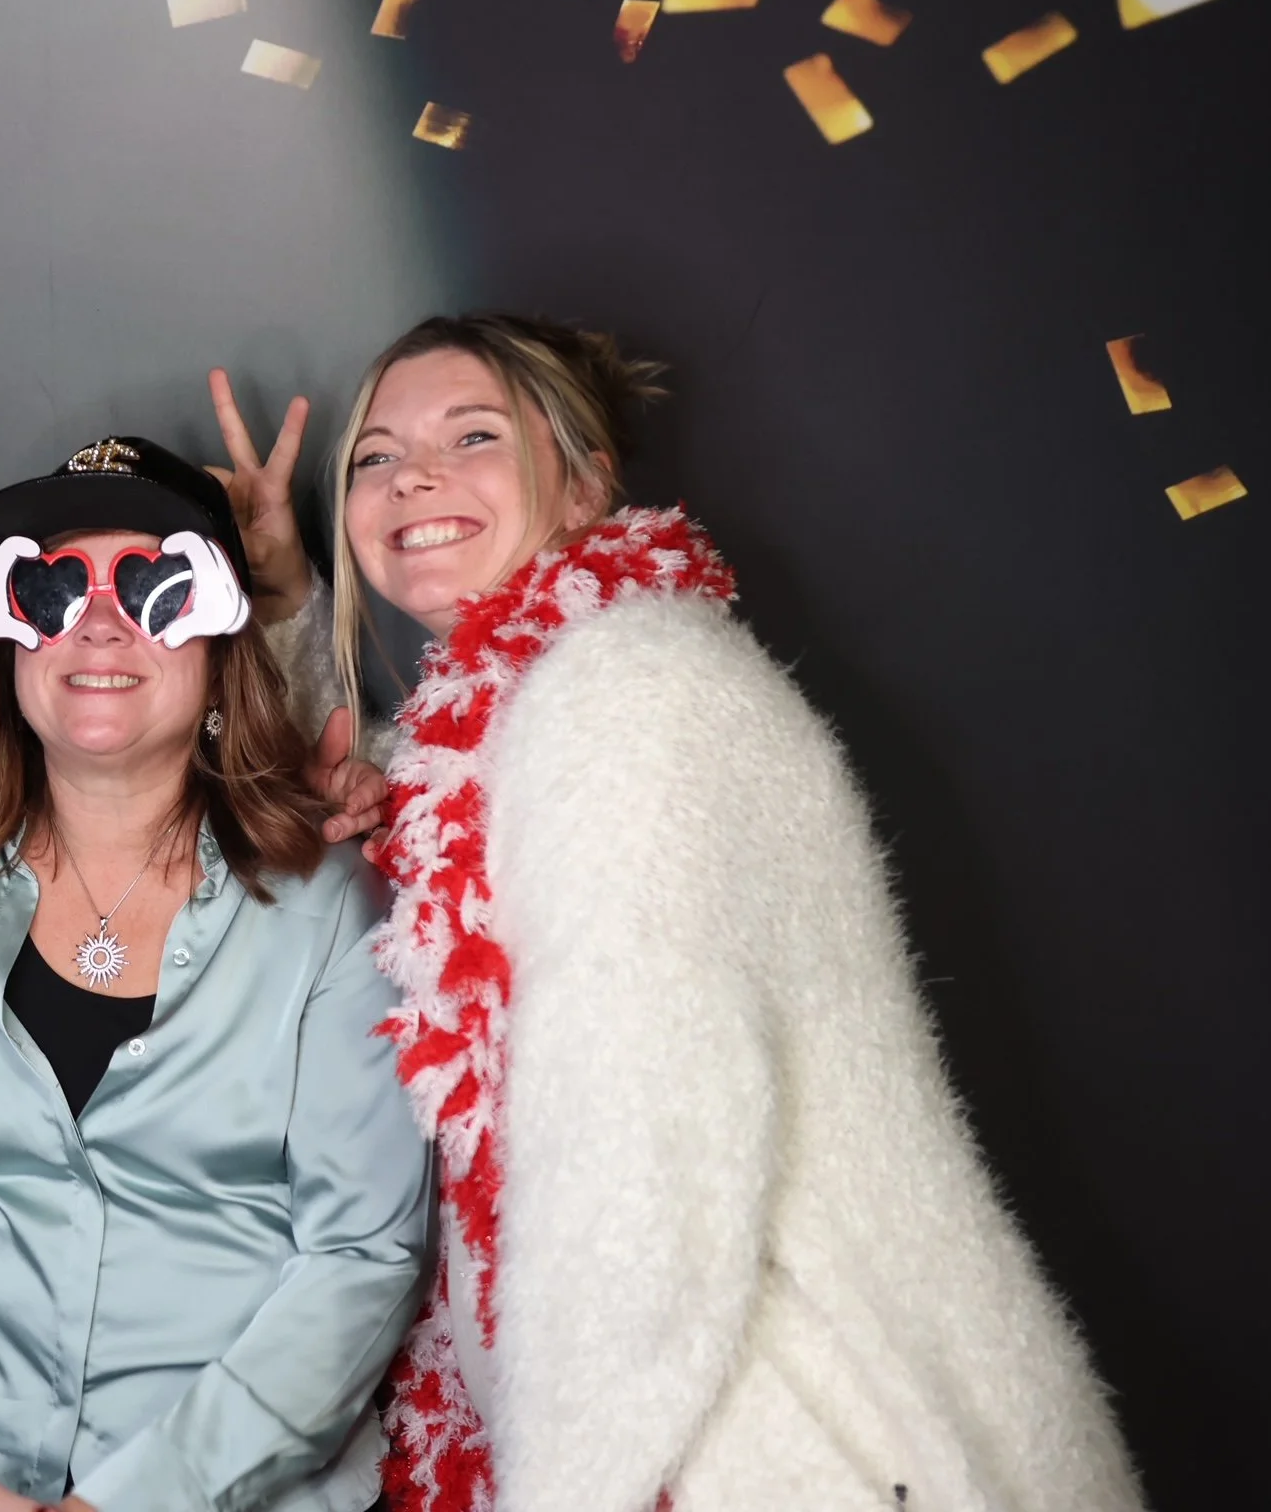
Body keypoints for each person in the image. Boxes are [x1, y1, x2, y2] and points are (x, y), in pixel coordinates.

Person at [211, 315, 1146, 1512]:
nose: (414, 478)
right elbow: (395, 798)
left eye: (473, 435)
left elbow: (644, 1166)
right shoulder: (543, 705)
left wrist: (569, 1490)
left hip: (782, 1442)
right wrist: (284, 600)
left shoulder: (633, 697)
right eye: (376, 456)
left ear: (586, 480)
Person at [0, 438, 433, 1512]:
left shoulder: (330, 903)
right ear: (8, 642)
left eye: (154, 586)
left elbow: (361, 1258)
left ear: (222, 648)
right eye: (51, 589)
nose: (98, 623)